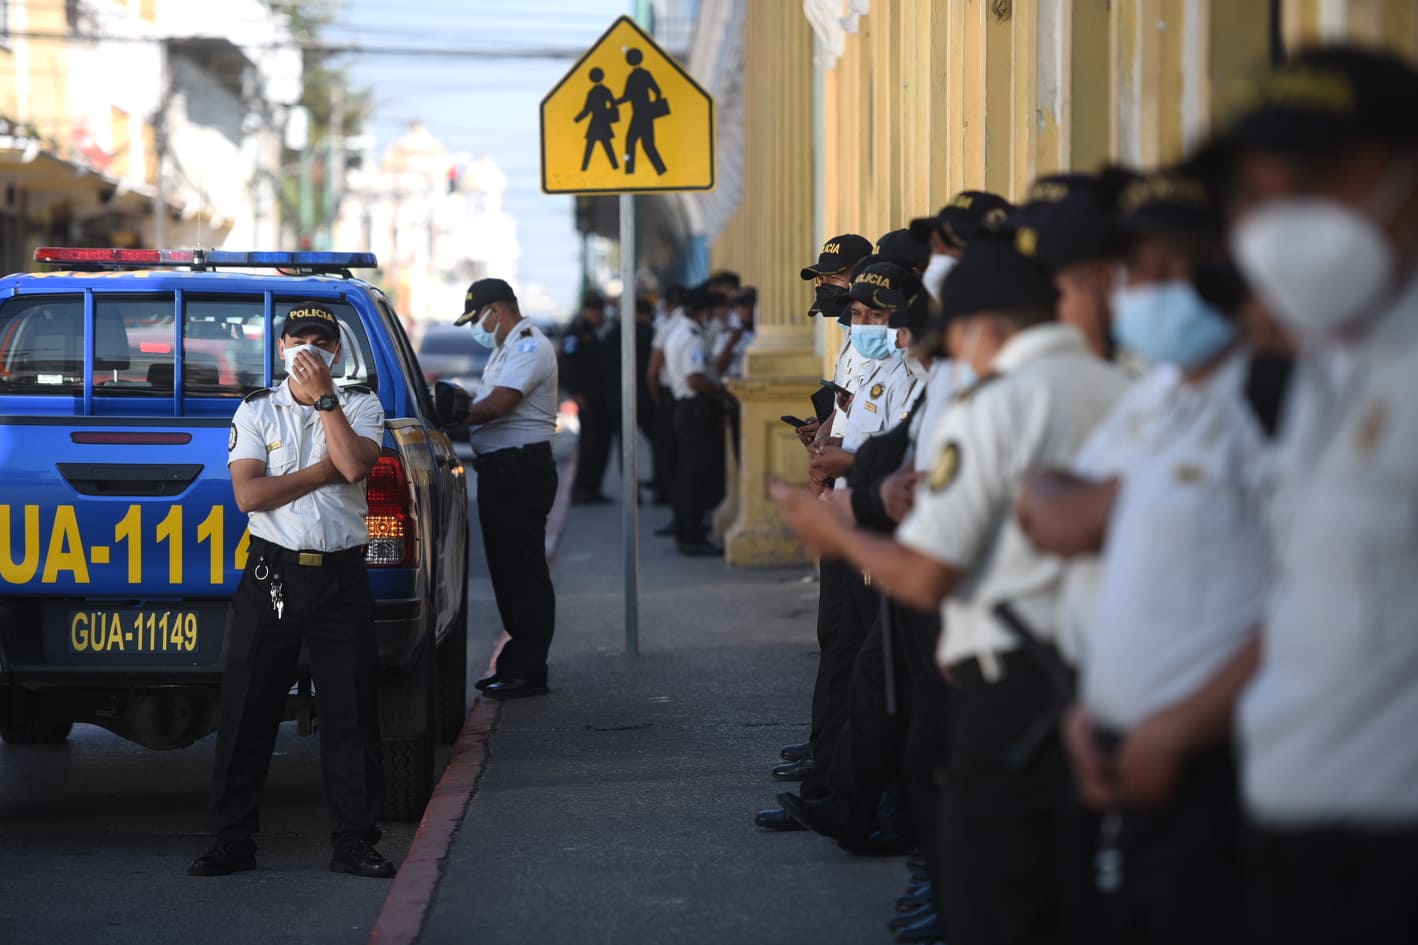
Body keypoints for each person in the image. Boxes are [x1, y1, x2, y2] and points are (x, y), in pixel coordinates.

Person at [773, 239, 1128, 945]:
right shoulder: (1118, 387)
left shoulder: (994, 405)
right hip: (1099, 671)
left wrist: (833, 529)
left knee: (999, 890)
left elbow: (931, 571)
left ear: (983, 329)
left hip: (1013, 677)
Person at [1194, 46, 1418, 945]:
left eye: (1316, 180)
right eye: (1260, 194)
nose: (1281, 221)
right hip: (1296, 849)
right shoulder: (1336, 369)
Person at [1018, 169, 1272, 945]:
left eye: (1172, 267)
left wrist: (1175, 729)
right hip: (1113, 746)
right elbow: (1041, 506)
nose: (1143, 290)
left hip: (1220, 761)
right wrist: (1096, 710)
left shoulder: (1268, 400)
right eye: (1133, 271)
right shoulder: (1157, 391)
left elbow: (1315, 600)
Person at [191, 301, 394, 879]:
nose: (310, 348)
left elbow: (355, 466)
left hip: (340, 577)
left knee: (351, 713)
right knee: (248, 710)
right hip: (271, 575)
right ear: (281, 348)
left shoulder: (359, 404)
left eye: (322, 340)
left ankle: (355, 842)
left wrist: (327, 400)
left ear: (336, 351)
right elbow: (249, 497)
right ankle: (232, 840)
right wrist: (319, 473)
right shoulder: (257, 409)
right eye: (299, 339)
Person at [455, 278, 560, 699]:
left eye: (477, 319)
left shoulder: (529, 347)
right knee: (508, 571)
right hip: (504, 472)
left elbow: (497, 406)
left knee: (523, 573)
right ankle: (517, 664)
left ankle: (528, 669)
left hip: (519, 471)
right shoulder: (507, 348)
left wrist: (448, 419)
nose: (476, 329)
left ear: (495, 311)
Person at [662, 284, 733, 556]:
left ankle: (687, 531)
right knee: (696, 475)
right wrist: (721, 393)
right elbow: (696, 378)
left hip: (685, 408)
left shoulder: (679, 331)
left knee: (688, 474)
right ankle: (691, 535)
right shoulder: (692, 337)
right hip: (695, 410)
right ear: (702, 311)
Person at [563, 290, 618, 504]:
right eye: (594, 310)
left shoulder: (604, 331)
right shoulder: (576, 333)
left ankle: (594, 487)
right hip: (587, 398)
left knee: (603, 444)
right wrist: (576, 393)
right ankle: (581, 488)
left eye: (600, 310)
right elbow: (568, 365)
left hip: (605, 398)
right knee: (589, 444)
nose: (598, 314)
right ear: (587, 310)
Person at [616, 47, 667, 176]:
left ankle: (629, 171)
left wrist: (614, 103)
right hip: (645, 114)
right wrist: (653, 107)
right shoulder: (645, 74)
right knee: (647, 145)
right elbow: (657, 91)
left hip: (640, 115)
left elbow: (627, 97)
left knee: (632, 141)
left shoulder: (633, 77)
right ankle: (661, 170)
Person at [574, 67, 620, 172]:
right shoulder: (604, 90)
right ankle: (614, 167)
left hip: (597, 122)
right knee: (602, 145)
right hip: (602, 121)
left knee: (596, 146)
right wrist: (576, 119)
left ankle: (585, 168)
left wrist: (577, 119)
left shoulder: (592, 92)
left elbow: (587, 109)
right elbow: (613, 104)